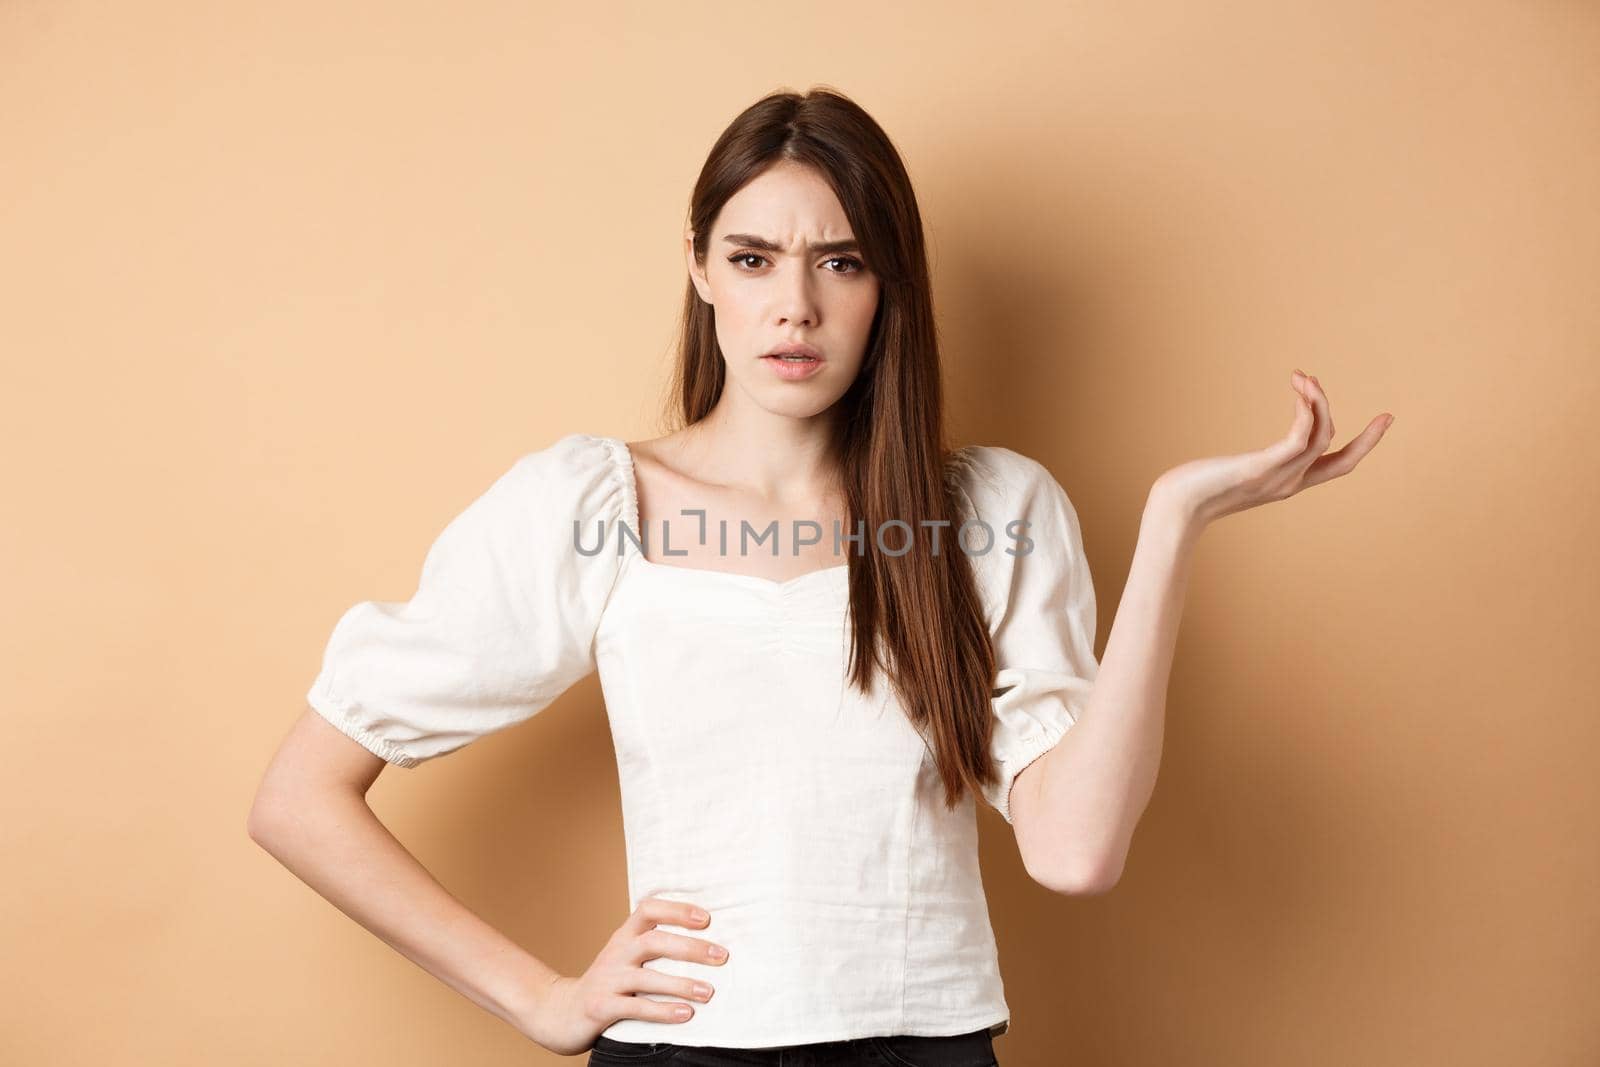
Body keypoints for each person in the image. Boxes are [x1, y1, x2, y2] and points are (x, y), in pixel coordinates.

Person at [247, 87, 1393, 1066]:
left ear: (888, 285)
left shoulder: (990, 511)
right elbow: (299, 797)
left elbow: (1075, 848)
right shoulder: (588, 504)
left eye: (839, 261)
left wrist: (1172, 522)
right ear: (699, 270)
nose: (794, 304)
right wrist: (544, 999)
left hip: (932, 1041)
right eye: (753, 260)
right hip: (683, 1047)